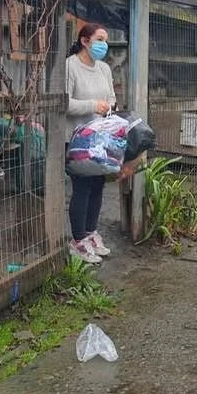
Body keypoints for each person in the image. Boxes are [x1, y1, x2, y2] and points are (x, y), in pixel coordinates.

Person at [65, 22, 116, 264]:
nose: (104, 45)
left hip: (99, 139)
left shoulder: (104, 69)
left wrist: (109, 108)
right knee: (82, 187)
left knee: (98, 186)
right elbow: (64, 103)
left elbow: (112, 98)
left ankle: (90, 233)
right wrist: (93, 105)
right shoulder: (70, 66)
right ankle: (77, 241)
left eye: (105, 41)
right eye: (100, 40)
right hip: (77, 139)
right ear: (85, 41)